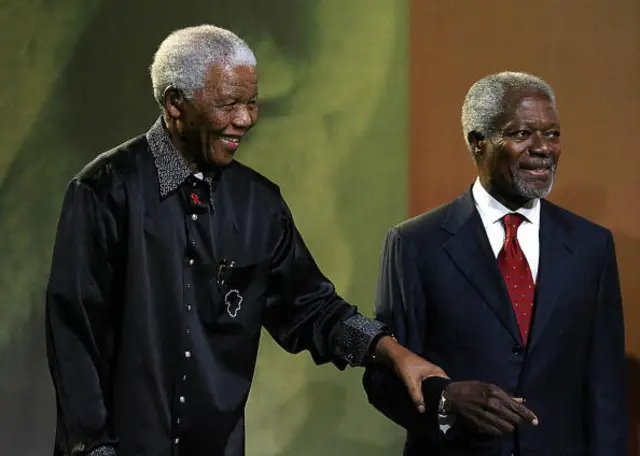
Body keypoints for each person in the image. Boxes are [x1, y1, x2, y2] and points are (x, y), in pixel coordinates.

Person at [45, 25, 447, 456]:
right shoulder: (105, 191)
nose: (246, 119)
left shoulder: (261, 204)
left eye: (251, 102)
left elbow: (310, 307)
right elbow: (74, 339)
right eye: (229, 104)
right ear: (175, 103)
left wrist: (390, 351)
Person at [363, 71, 628, 455]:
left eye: (552, 134)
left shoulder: (591, 245)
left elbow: (606, 389)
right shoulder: (415, 244)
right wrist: (446, 401)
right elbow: (385, 377)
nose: (543, 148)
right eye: (522, 134)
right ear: (478, 143)